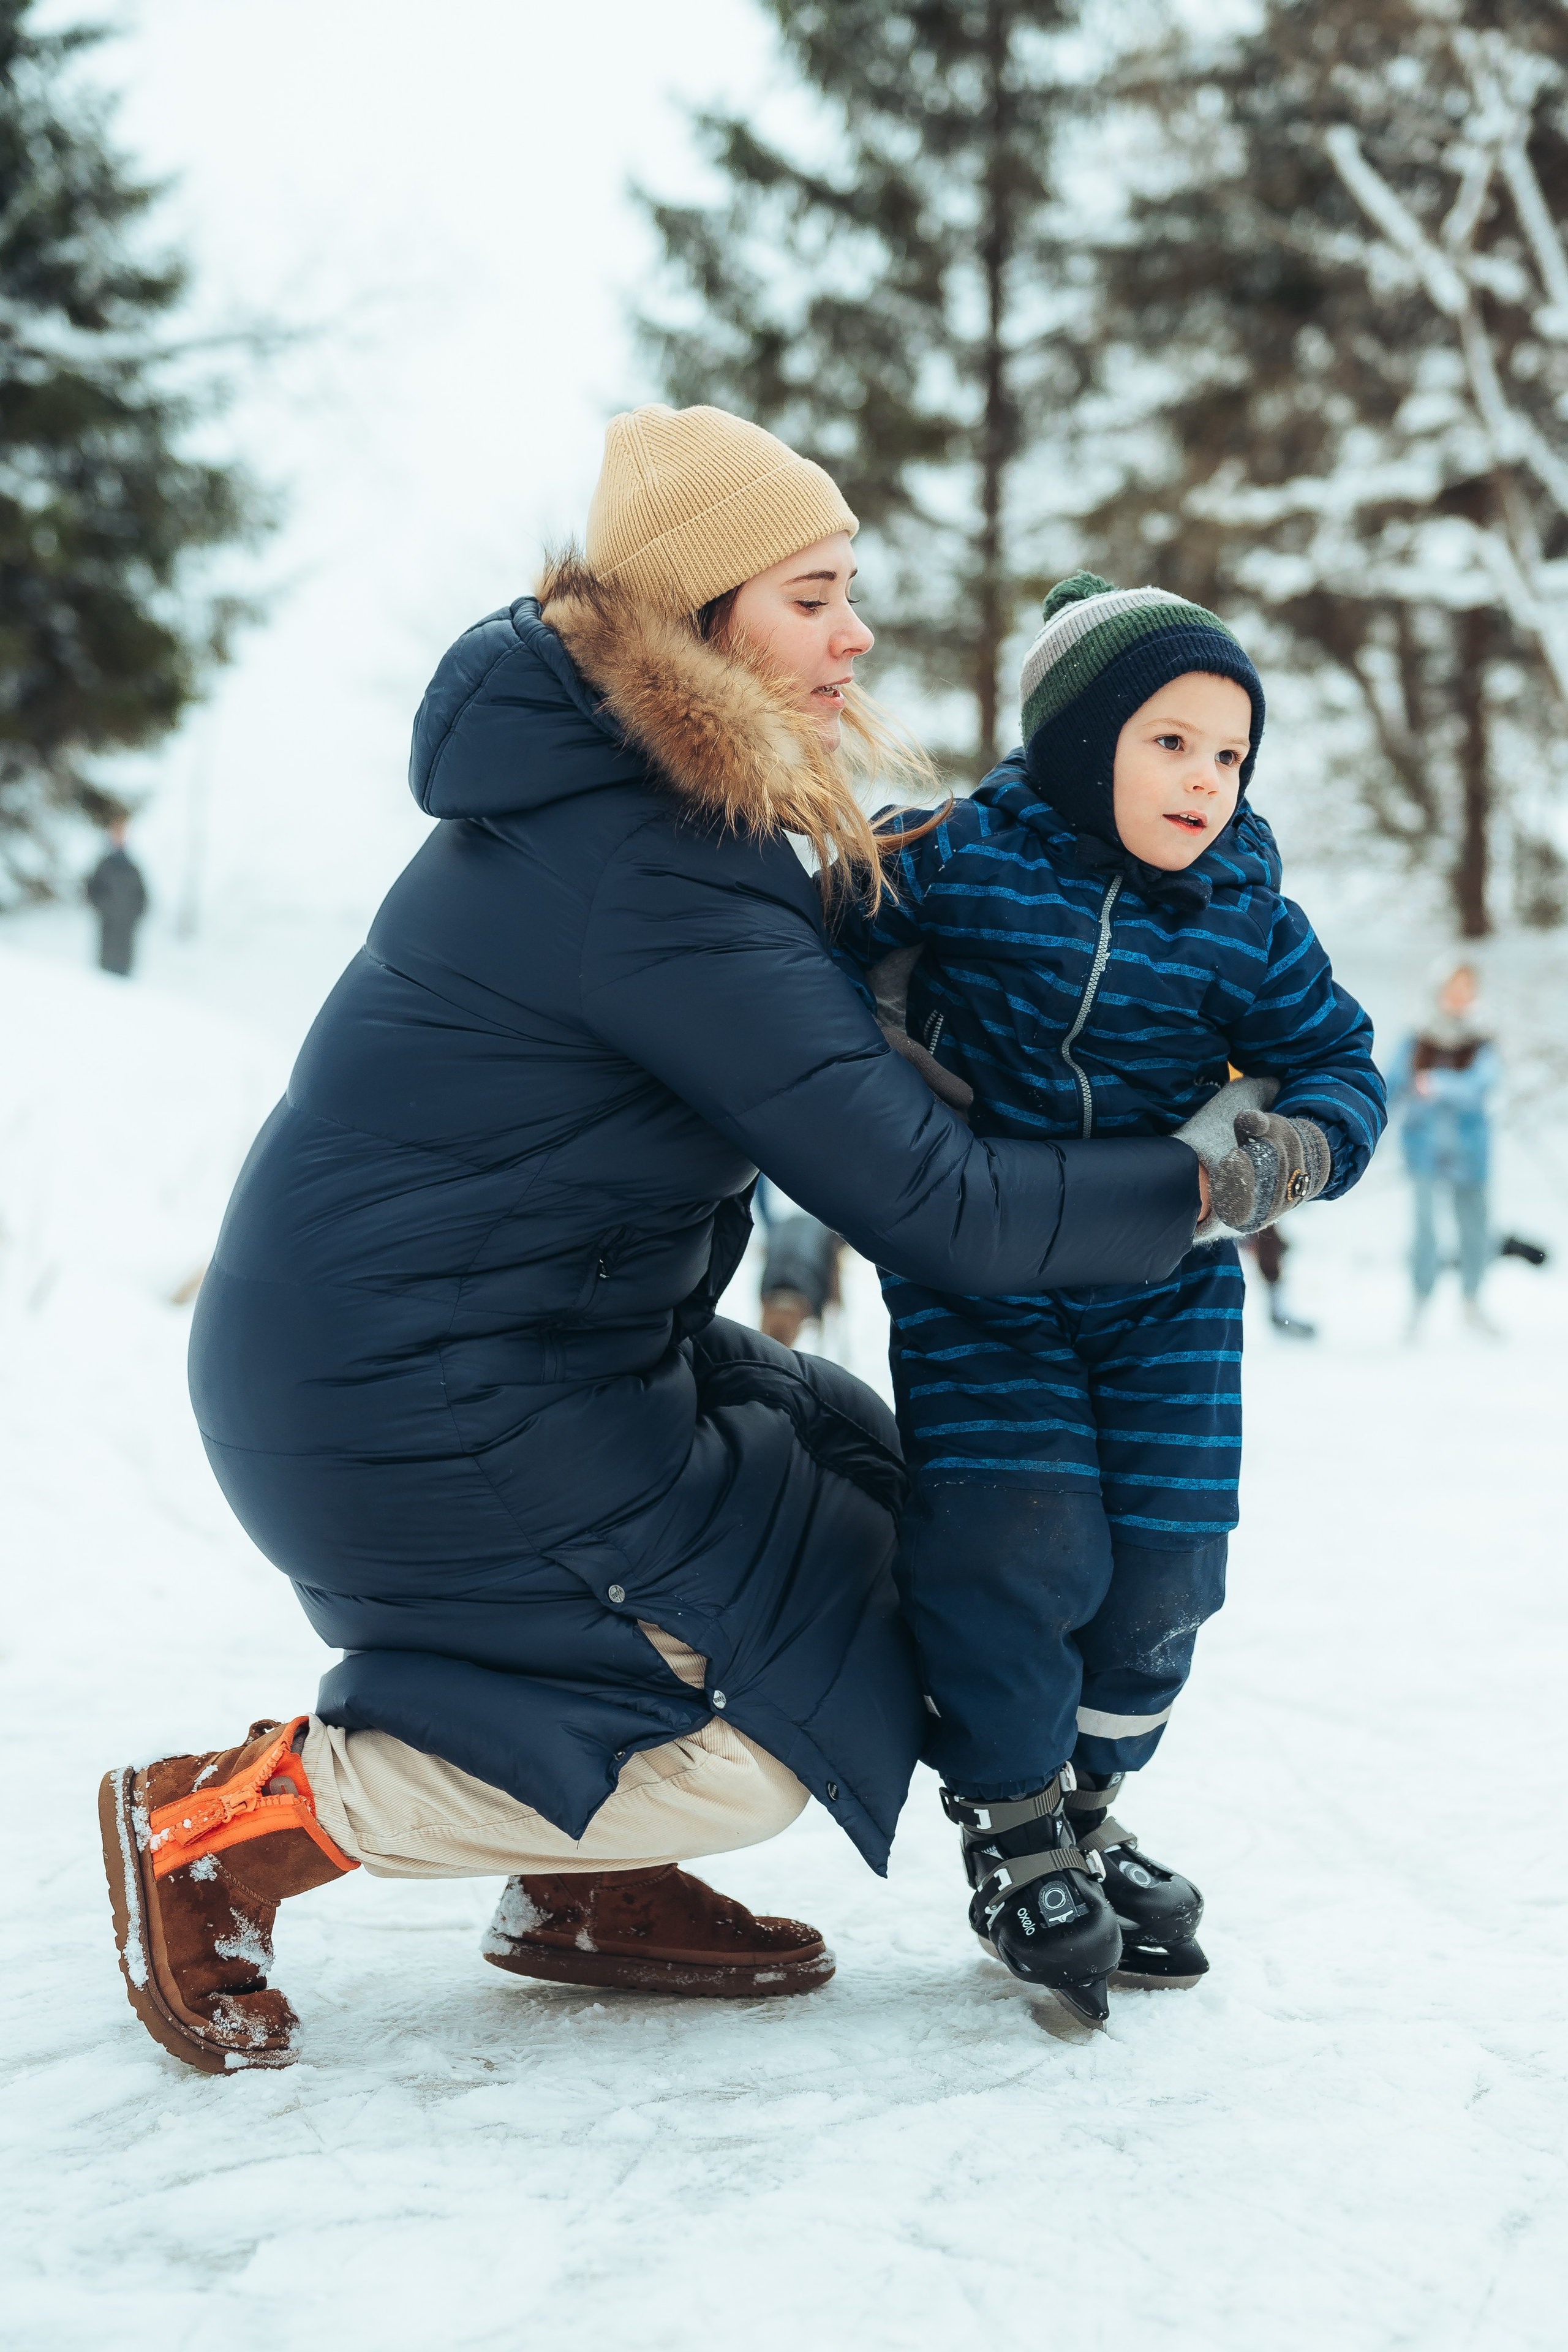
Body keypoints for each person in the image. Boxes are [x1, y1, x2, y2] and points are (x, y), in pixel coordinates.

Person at [99, 411, 1210, 2075]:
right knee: (759, 1739)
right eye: (816, 596)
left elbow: (854, 953)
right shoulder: (650, 861)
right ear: (702, 618)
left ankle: (581, 1878)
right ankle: (232, 1827)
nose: (857, 634)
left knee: (930, 1531)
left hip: (537, 1353)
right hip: (405, 1395)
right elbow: (933, 1201)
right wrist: (1212, 1180)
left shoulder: (653, 809)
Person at [834, 571, 1386, 2024]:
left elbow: (1340, 1064)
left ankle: (1086, 1796)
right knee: (1019, 1534)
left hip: (1166, 1282)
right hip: (981, 1274)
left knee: (1166, 1563)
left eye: (1228, 754)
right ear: (1078, 741)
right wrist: (867, 1076)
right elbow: (803, 927)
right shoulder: (956, 853)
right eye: (1169, 741)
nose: (1204, 779)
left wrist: (1285, 1150)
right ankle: (1011, 1808)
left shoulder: (1243, 916)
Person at [1387, 962, 1501, 1336]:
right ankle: (1420, 1301)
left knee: (1476, 1228)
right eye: (1453, 987)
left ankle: (1473, 1299)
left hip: (1471, 1150)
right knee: (1425, 1229)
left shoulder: (1483, 1038)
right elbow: (1391, 1085)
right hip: (1424, 1148)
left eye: (1466, 988)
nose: (1459, 995)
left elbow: (1483, 1084)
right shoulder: (1417, 1037)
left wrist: (1437, 1085)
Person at [85, 817, 148, 976]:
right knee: (105, 977)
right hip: (108, 929)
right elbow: (91, 893)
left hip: (125, 932)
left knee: (123, 976)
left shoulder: (132, 867)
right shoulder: (104, 865)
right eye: (116, 833)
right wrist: (106, 909)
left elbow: (143, 898)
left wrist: (131, 916)